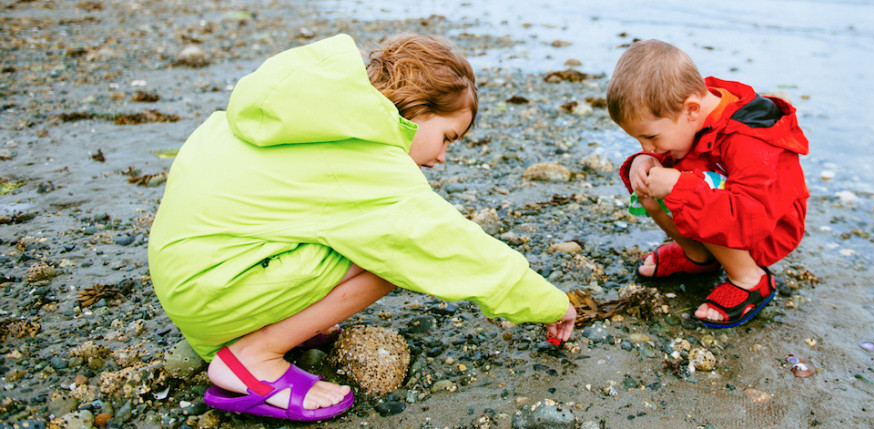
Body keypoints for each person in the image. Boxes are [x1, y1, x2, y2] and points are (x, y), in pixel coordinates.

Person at [147, 33, 576, 422]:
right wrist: (548, 303)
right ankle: (253, 357)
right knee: (395, 253)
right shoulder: (363, 157)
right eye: (447, 137)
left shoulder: (303, 115)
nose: (443, 156)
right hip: (213, 293)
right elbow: (446, 244)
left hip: (190, 280)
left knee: (375, 236)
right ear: (418, 109)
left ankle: (275, 324)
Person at [606, 39, 809, 328]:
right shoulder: (687, 113)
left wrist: (681, 186)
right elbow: (679, 163)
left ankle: (750, 278)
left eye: (651, 138)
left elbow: (749, 217)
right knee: (649, 190)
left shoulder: (748, 140)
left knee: (685, 190)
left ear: (691, 110)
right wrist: (643, 161)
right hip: (727, 207)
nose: (649, 147)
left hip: (767, 225)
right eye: (639, 141)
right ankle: (699, 256)